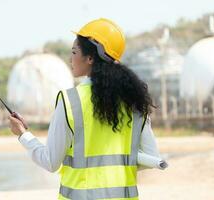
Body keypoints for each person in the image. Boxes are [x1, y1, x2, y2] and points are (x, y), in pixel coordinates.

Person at [9, 18, 164, 200]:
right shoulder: (133, 100)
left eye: (74, 52)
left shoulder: (70, 101)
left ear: (90, 58)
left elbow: (51, 162)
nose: (70, 58)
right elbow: (151, 157)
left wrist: (23, 134)